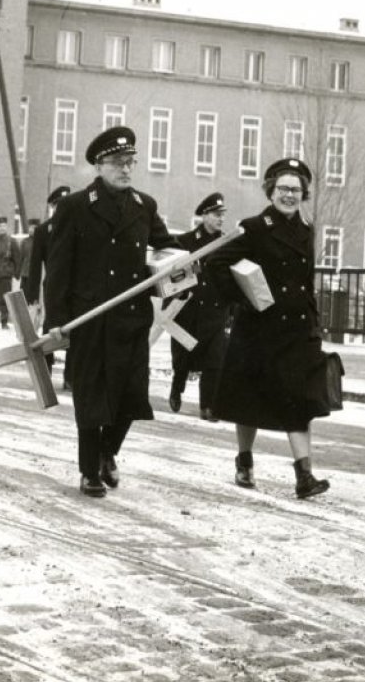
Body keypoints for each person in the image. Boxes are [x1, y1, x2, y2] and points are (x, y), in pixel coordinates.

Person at [45, 126, 178, 498]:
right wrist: (55, 322)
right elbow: (57, 269)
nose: (126, 169)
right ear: (99, 166)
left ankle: (108, 452)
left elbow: (166, 250)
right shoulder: (75, 207)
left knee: (129, 397)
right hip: (90, 320)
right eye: (118, 162)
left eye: (130, 162)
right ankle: (89, 470)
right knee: (91, 398)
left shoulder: (143, 206)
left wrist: (190, 258)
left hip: (131, 320)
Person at [206, 158, 331, 499]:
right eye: (282, 189)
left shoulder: (306, 231)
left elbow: (306, 282)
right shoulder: (254, 227)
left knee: (301, 400)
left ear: (303, 194)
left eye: (295, 190)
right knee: (248, 398)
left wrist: (314, 322)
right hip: (259, 330)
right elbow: (216, 263)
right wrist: (241, 299)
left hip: (297, 332)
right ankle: (244, 460)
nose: (289, 195)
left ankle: (304, 475)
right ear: (270, 191)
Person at [167, 192, 231, 421]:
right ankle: (177, 386)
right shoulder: (185, 242)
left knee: (215, 360)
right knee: (183, 358)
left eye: (222, 215)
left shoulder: (226, 243)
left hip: (215, 311)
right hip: (189, 310)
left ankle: (208, 406)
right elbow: (172, 274)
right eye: (216, 214)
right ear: (204, 216)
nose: (220, 219)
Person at [26, 186, 71, 375]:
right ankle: (46, 367)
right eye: (59, 205)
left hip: (76, 285)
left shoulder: (78, 227)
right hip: (52, 286)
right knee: (50, 327)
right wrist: (32, 295)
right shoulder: (44, 231)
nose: (62, 208)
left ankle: (71, 375)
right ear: (52, 206)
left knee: (75, 328)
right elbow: (35, 265)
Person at [18, 218, 40, 296]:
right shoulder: (24, 242)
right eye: (30, 227)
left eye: (34, 228)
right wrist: (17, 272)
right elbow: (20, 258)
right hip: (25, 273)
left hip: (37, 273)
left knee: (35, 295)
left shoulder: (41, 242)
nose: (31, 230)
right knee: (24, 295)